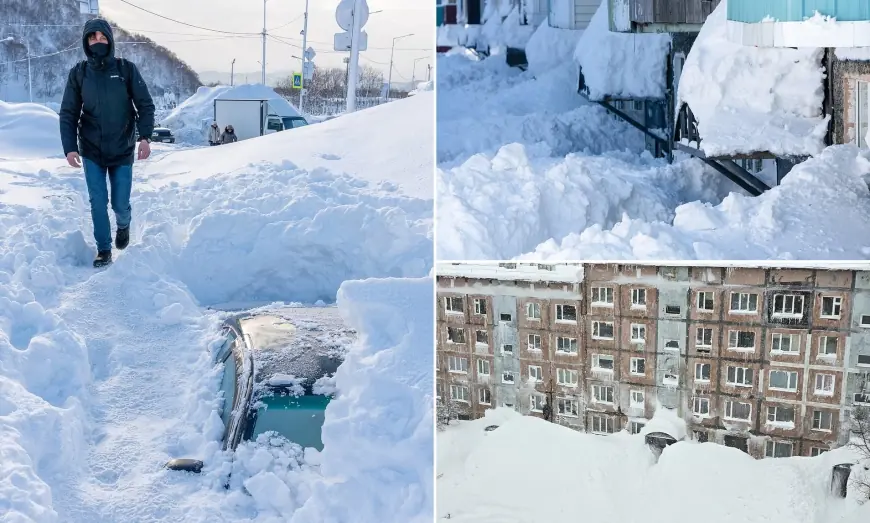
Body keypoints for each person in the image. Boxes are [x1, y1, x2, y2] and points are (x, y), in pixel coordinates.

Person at [59, 18, 155, 268]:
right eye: (93, 38)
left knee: (120, 203)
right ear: (86, 42)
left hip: (122, 147)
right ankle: (104, 249)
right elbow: (68, 112)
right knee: (98, 201)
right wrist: (70, 147)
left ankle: (123, 224)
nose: (98, 41)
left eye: (102, 37)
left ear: (110, 40)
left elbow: (145, 105)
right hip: (91, 149)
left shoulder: (126, 69)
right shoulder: (79, 73)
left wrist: (145, 137)